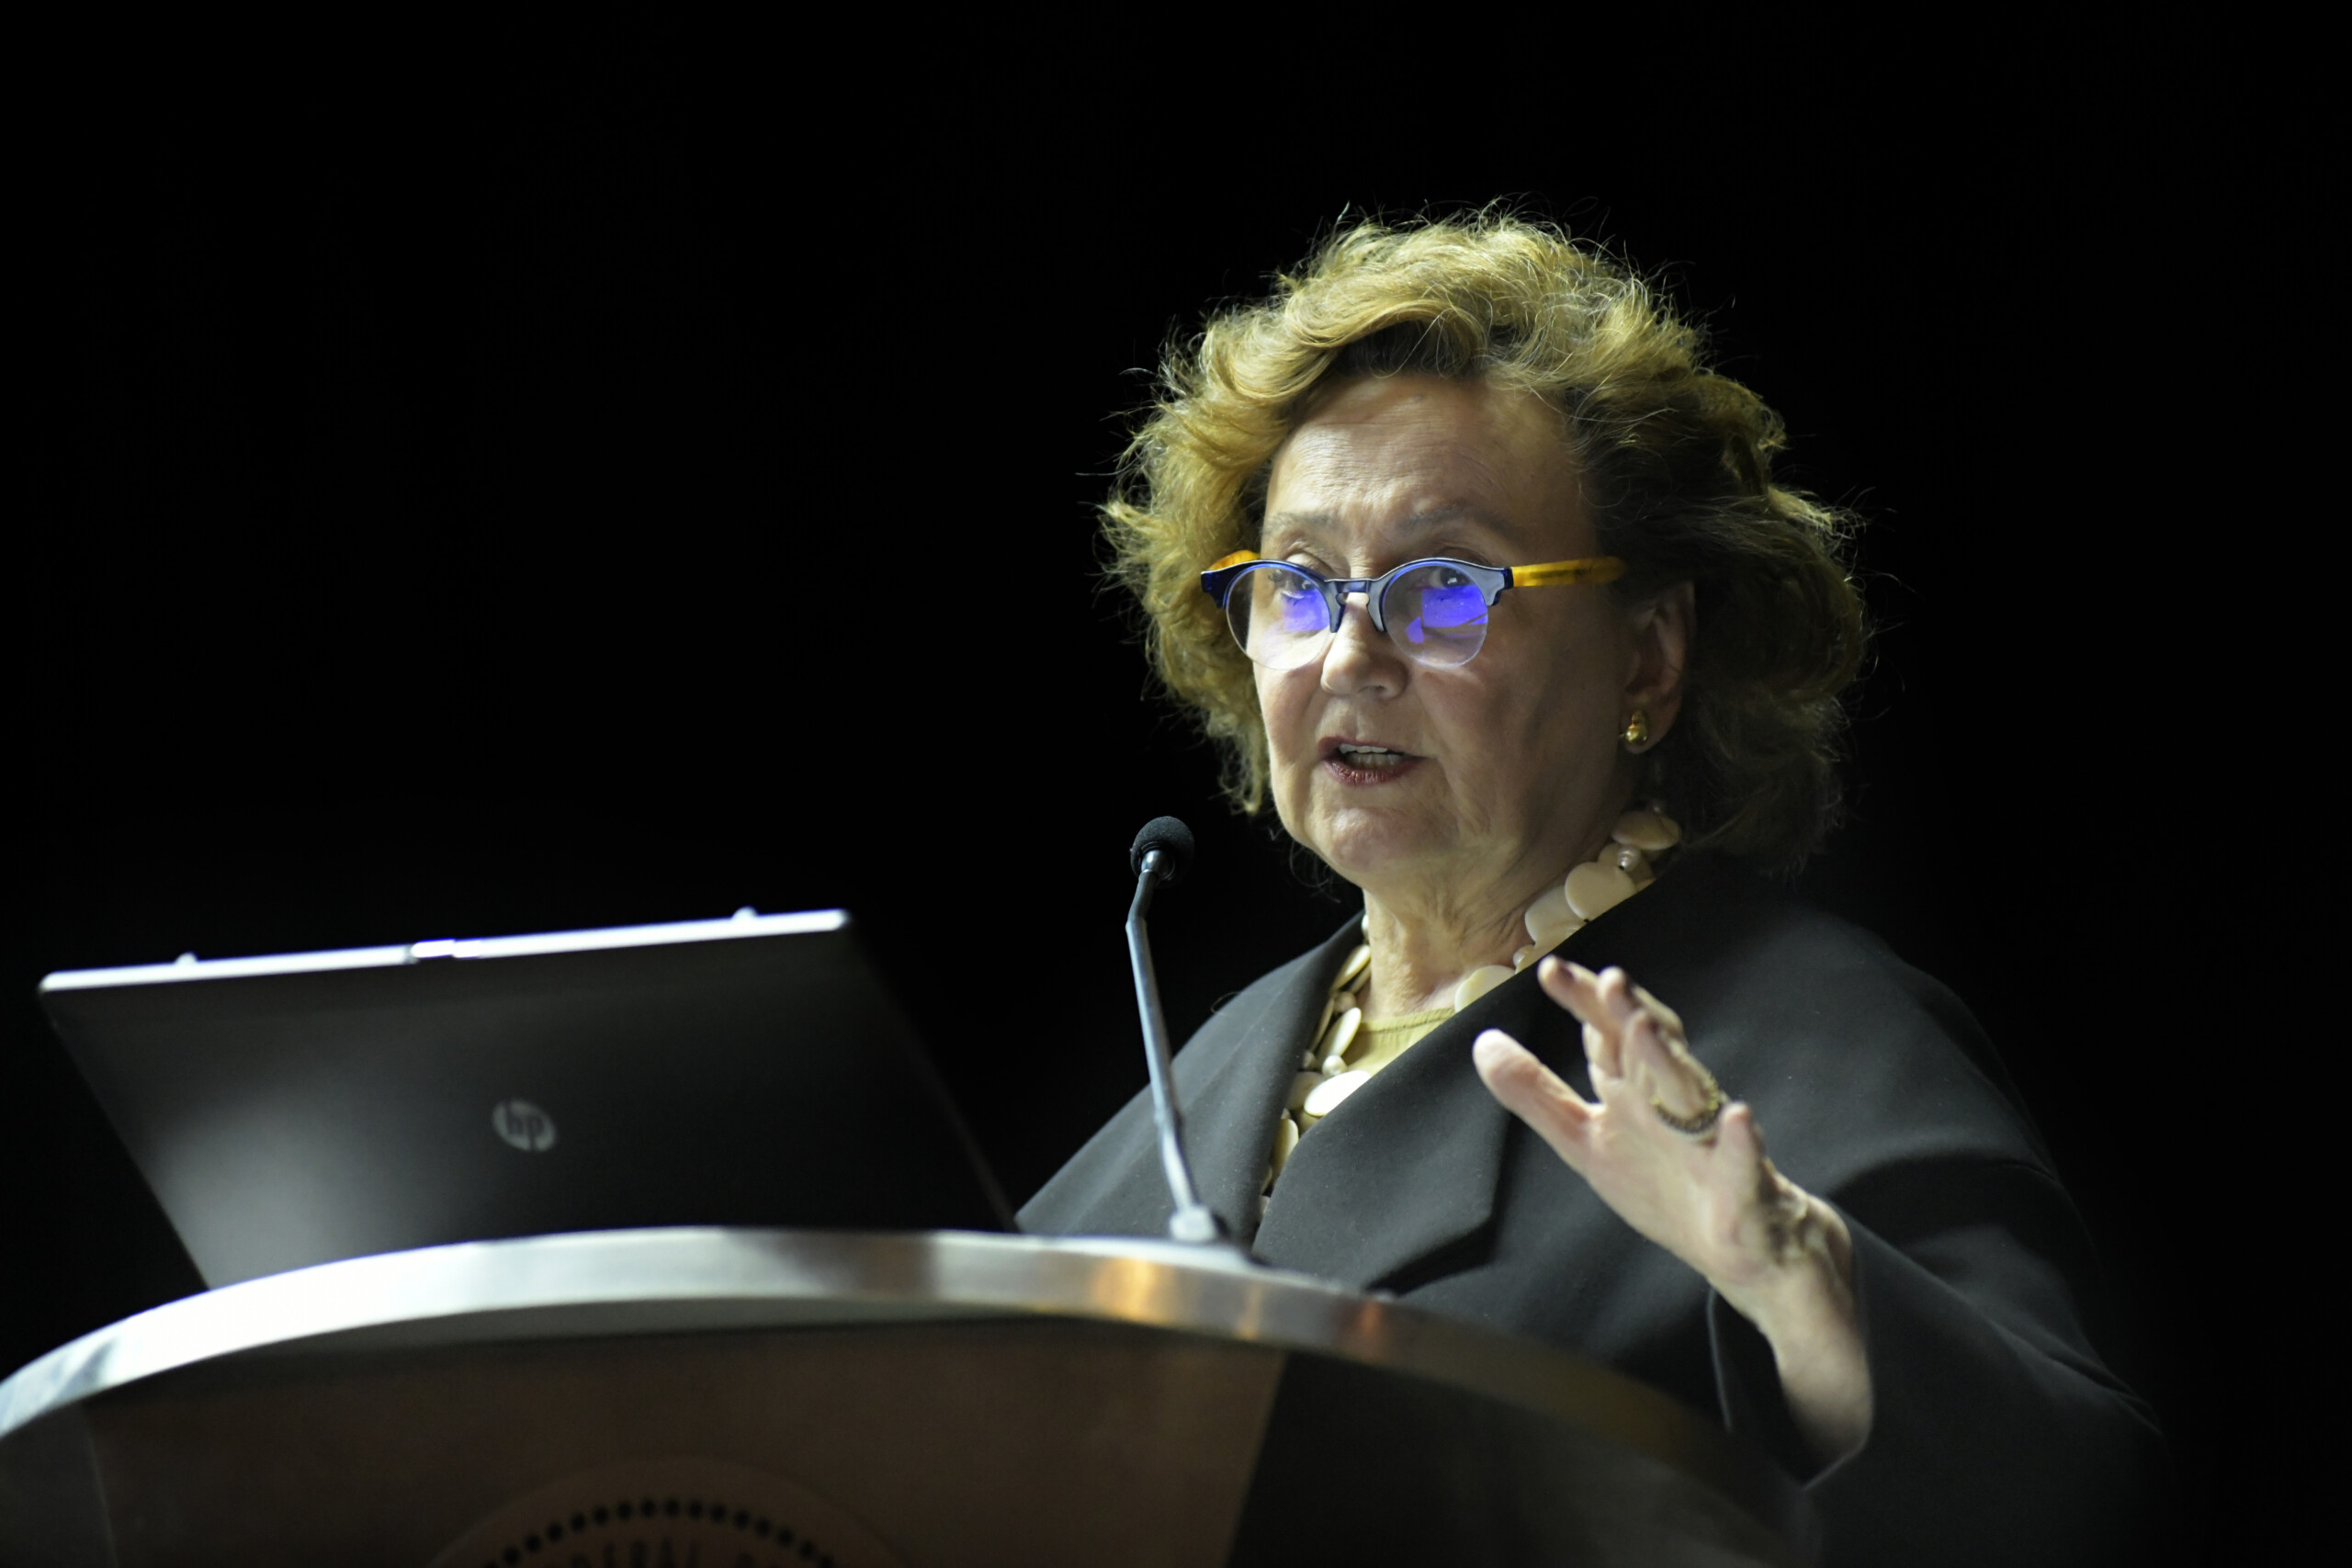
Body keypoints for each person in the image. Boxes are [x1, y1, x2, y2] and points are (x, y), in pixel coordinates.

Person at [1018, 213, 2168, 1564]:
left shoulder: (1808, 1038)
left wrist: (1795, 1278)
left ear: (1648, 658)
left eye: (1444, 589)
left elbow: (2079, 1503)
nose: (1349, 656)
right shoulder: (1216, 1065)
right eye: (1300, 586)